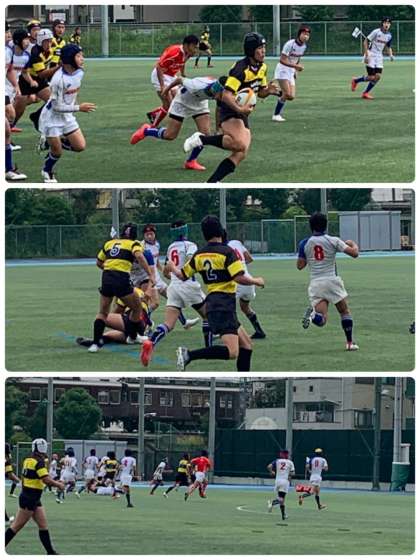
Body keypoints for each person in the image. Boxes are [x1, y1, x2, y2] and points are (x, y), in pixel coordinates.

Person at [167, 215, 265, 372]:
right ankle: (189, 355)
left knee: (246, 345)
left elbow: (182, 275)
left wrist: (172, 267)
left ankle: (242, 378)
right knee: (232, 352)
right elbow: (238, 277)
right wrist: (256, 281)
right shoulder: (227, 252)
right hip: (223, 305)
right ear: (220, 230)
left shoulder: (199, 254)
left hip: (215, 303)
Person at [183, 32, 279, 183]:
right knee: (239, 144)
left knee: (241, 152)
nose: (263, 51)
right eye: (260, 48)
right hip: (229, 107)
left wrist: (269, 91)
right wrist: (240, 110)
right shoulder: (240, 69)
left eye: (264, 47)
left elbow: (260, 92)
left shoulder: (263, 68)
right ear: (251, 50)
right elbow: (227, 95)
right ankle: (201, 139)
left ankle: (212, 182)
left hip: (242, 111)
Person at [141, 221, 211, 367]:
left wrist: (171, 273)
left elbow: (166, 270)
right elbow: (191, 262)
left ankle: (150, 342)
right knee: (207, 316)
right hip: (188, 285)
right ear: (185, 231)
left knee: (168, 324)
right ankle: (209, 349)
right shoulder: (190, 245)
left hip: (174, 286)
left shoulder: (171, 247)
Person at [130, 76, 225, 172]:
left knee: (205, 135)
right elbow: (179, 79)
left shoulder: (222, 93)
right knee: (170, 135)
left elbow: (219, 109)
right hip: (182, 102)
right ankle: (146, 131)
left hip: (200, 104)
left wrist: (218, 129)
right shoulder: (196, 86)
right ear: (215, 90)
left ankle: (191, 161)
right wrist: (166, 90)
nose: (222, 98)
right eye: (220, 95)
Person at [297, 212, 359, 351]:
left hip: (316, 283)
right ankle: (350, 343)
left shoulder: (304, 243)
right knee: (344, 311)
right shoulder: (333, 240)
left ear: (311, 227)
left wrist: (309, 257)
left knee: (322, 320)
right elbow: (354, 254)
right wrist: (353, 244)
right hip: (331, 281)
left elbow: (300, 266)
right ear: (326, 226)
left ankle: (313, 316)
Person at [88, 223, 153, 353]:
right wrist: (150, 274)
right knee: (137, 307)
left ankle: (95, 344)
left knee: (103, 312)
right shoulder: (134, 244)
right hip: (121, 279)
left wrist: (110, 269)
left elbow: (99, 262)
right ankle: (133, 336)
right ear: (134, 235)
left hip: (106, 277)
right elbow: (139, 256)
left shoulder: (109, 243)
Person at [38, 43, 96, 183]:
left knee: (80, 146)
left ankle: (51, 142)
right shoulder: (58, 80)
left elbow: (74, 91)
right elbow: (56, 107)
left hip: (67, 115)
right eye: (78, 56)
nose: (82, 59)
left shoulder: (80, 72)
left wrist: (74, 105)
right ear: (69, 59)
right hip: (51, 119)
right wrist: (78, 108)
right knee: (57, 152)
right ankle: (47, 170)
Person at [5, 438, 64, 554]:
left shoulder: (28, 459)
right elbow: (46, 479)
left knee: (43, 525)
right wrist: (59, 485)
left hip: (31, 496)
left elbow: (26, 478)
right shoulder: (39, 461)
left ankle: (51, 553)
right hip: (30, 498)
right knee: (16, 526)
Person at [145, 34, 199, 128]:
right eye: (194, 46)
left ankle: (154, 114)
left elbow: (182, 62)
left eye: (196, 47)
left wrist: (182, 73)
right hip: (160, 76)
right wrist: (163, 86)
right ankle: (153, 126)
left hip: (171, 76)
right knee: (169, 104)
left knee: (175, 101)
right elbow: (159, 67)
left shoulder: (189, 53)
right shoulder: (174, 52)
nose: (195, 49)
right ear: (186, 45)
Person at [12, 28, 58, 128]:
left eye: (50, 41)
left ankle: (36, 116)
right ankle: (10, 125)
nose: (49, 44)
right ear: (40, 41)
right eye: (47, 41)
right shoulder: (35, 52)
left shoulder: (51, 49)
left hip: (39, 81)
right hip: (26, 81)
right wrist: (59, 68)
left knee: (54, 101)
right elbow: (42, 74)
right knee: (19, 109)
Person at [226, 235, 266, 339]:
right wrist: (241, 265)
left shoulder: (222, 249)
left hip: (238, 282)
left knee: (225, 309)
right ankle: (259, 331)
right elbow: (249, 258)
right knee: (245, 307)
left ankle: (232, 334)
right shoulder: (236, 242)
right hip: (249, 280)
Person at [272, 25, 311, 122]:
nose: (306, 36)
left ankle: (274, 91)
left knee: (291, 96)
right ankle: (276, 115)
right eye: (304, 34)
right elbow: (282, 60)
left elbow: (297, 59)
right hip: (282, 70)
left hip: (290, 71)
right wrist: (295, 66)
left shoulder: (304, 46)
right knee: (287, 93)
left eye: (307, 34)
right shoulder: (290, 44)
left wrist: (295, 71)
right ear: (299, 34)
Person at [351, 17, 394, 100]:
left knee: (377, 77)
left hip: (379, 56)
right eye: (385, 23)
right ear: (382, 24)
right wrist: (367, 55)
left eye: (388, 23)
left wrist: (391, 55)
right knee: (371, 77)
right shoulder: (376, 32)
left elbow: (388, 46)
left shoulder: (389, 35)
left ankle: (365, 93)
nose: (387, 25)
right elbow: (365, 42)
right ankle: (355, 80)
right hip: (371, 54)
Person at [267, 449, 295, 520]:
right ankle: (272, 503)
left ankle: (283, 515)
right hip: (285, 481)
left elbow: (269, 466)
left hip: (277, 481)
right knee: (281, 499)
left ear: (281, 454)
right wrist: (289, 474)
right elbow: (293, 473)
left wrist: (272, 472)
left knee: (282, 500)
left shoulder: (277, 461)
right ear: (287, 455)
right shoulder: (290, 462)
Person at [5, 443, 20, 525]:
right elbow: (10, 475)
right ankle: (5, 520)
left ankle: (6, 519)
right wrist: (18, 480)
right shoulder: (6, 461)